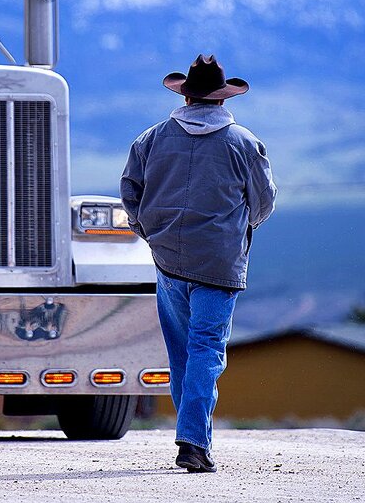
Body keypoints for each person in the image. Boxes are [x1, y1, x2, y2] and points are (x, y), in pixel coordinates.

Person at [120, 54, 276, 473]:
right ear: (223, 100)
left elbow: (130, 192)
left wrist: (149, 232)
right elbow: (264, 203)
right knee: (207, 349)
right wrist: (237, 231)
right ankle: (193, 442)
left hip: (168, 260)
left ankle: (194, 439)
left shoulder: (150, 138)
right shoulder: (244, 142)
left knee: (182, 355)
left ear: (185, 95)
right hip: (220, 264)